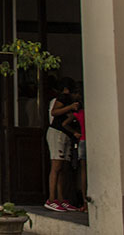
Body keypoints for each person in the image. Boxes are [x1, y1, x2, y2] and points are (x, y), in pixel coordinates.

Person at [45, 77, 80, 212]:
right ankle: (51, 199)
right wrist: (70, 108)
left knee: (64, 167)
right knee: (56, 165)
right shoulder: (63, 98)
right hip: (57, 133)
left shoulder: (70, 100)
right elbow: (55, 112)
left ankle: (61, 199)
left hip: (66, 134)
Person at [72, 90, 87, 212]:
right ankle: (85, 202)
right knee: (87, 172)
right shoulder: (86, 113)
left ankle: (84, 202)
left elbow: (65, 123)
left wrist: (75, 133)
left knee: (83, 172)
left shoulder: (79, 114)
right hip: (89, 141)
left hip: (82, 141)